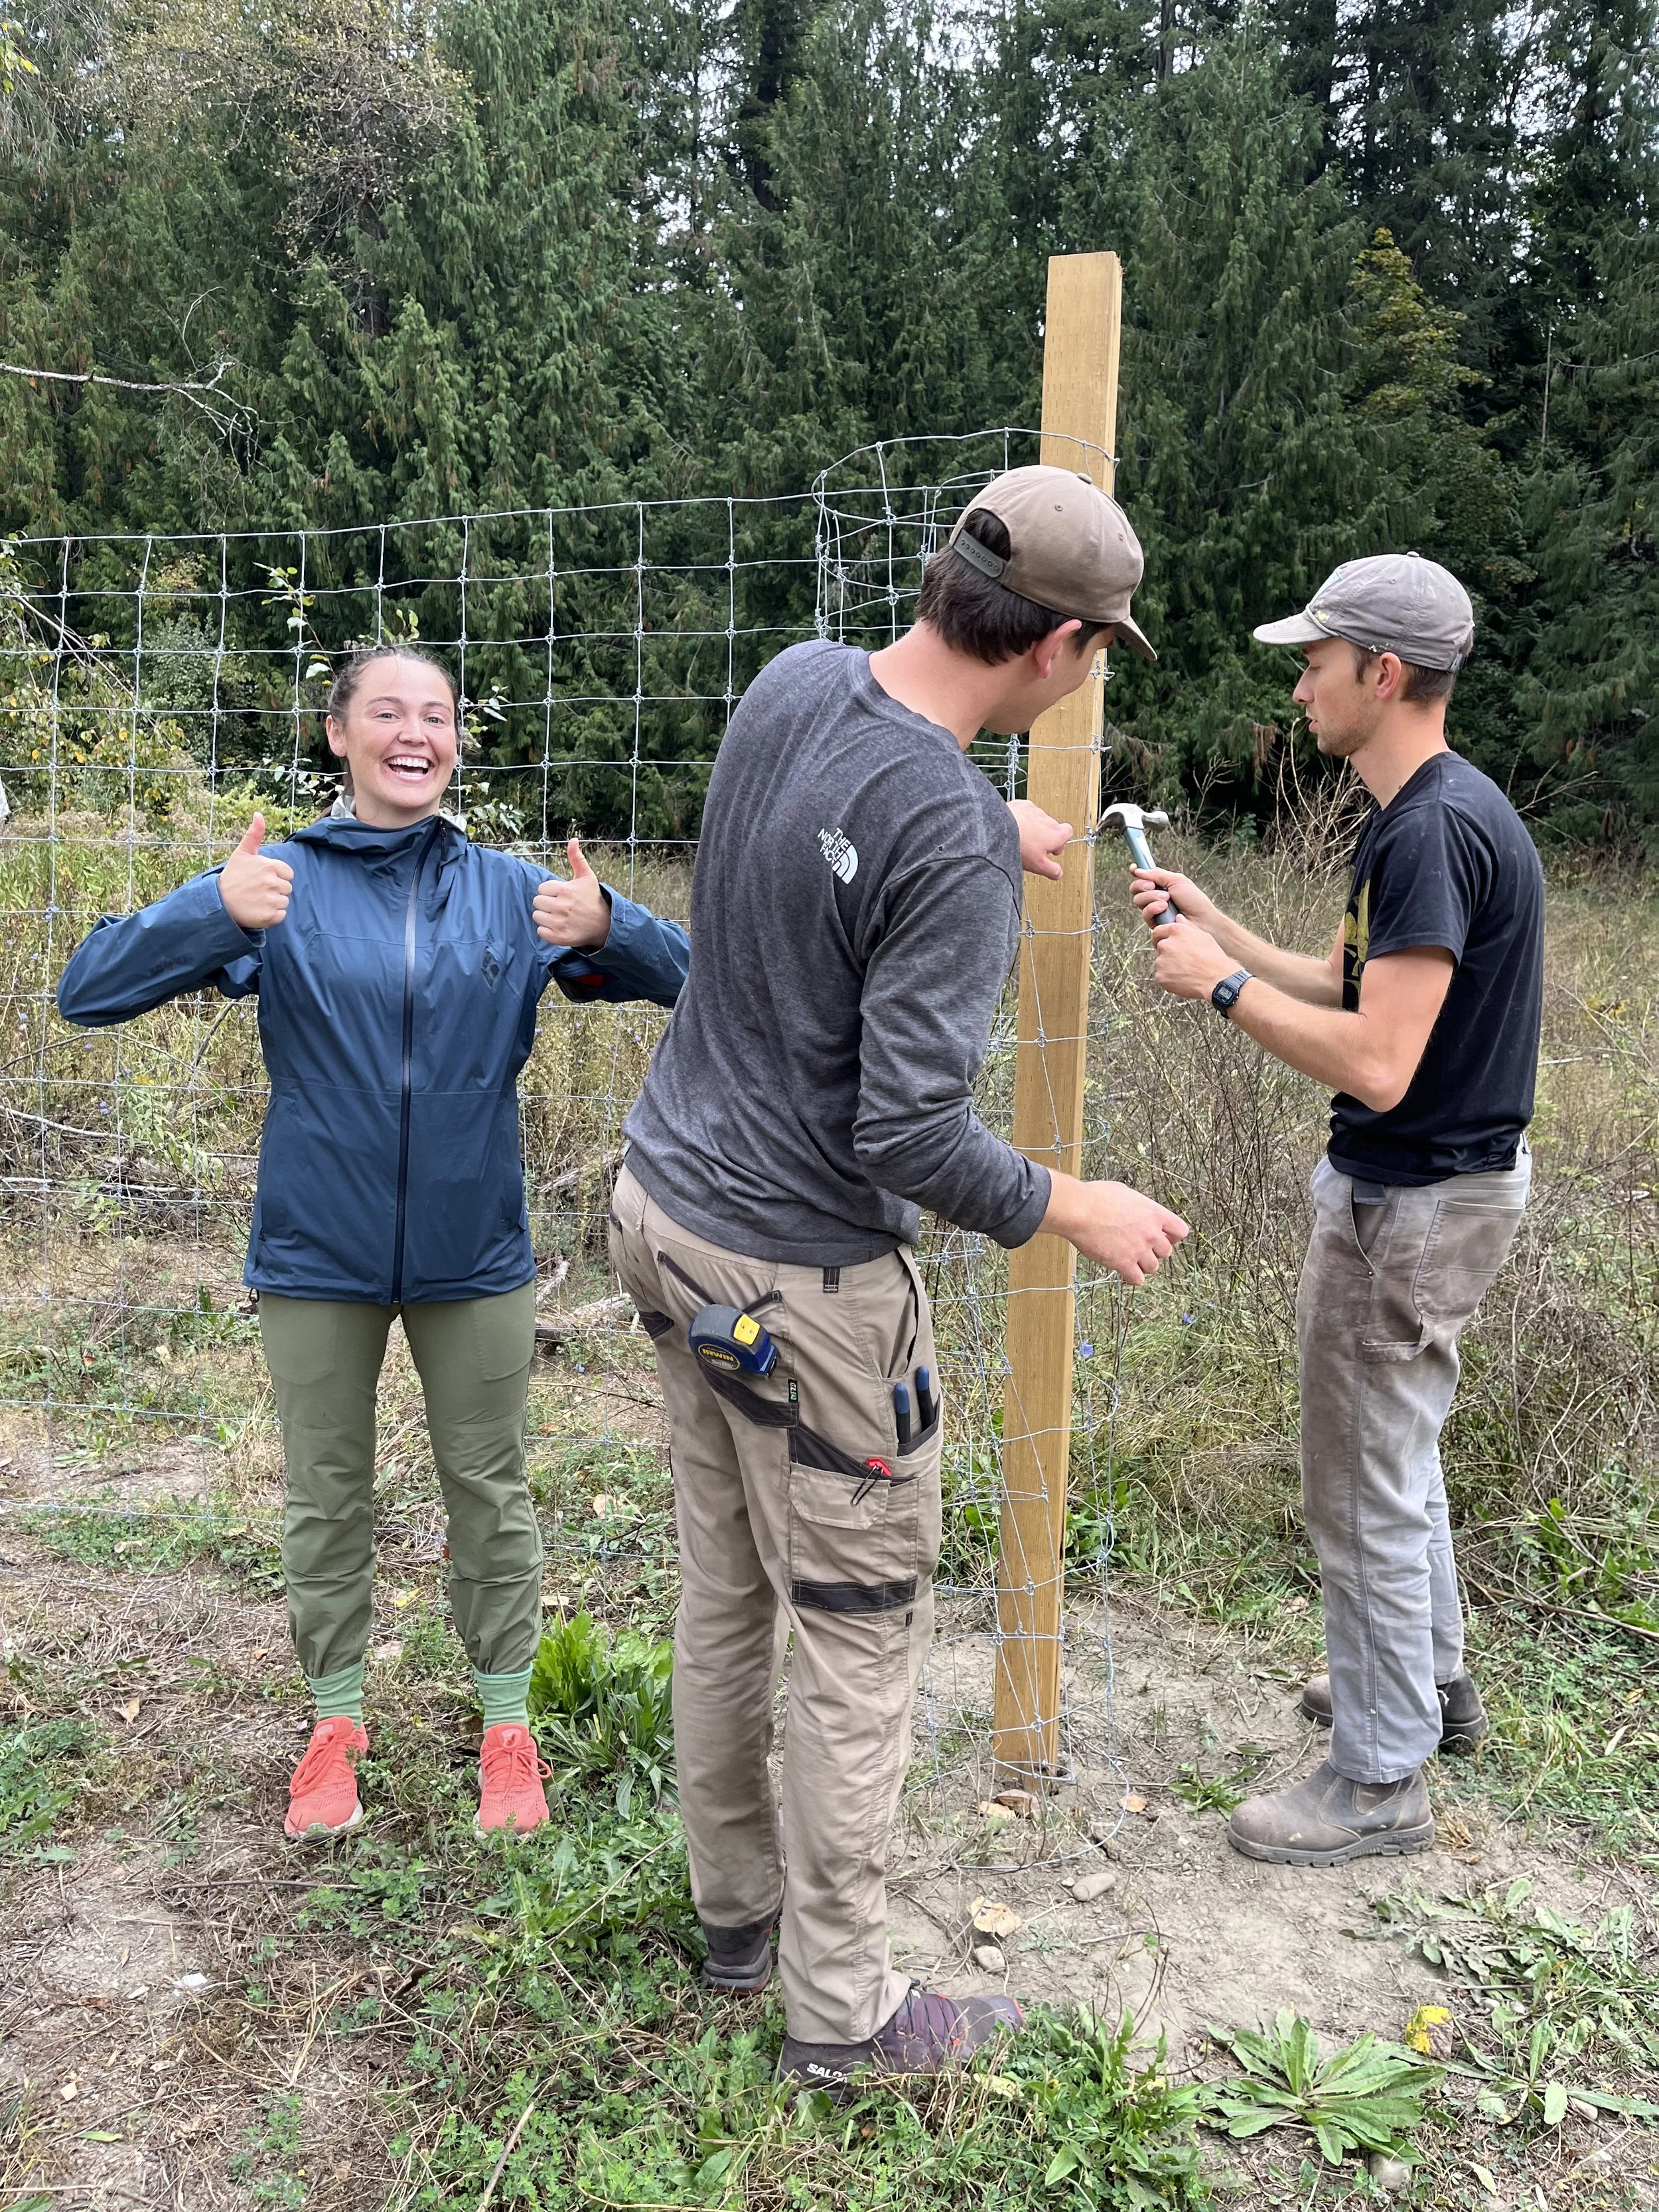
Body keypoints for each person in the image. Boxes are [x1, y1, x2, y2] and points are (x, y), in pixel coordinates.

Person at [596, 466, 1189, 2092]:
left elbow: (816, 826)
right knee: (854, 1629)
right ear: (1057, 645)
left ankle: (737, 1917)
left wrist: (966, 819)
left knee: (724, 1589)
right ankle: (843, 2013)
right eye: (1095, 649)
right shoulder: (942, 832)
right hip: (799, 1277)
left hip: (661, 1209)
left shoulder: (800, 680)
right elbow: (908, 1127)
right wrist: (1067, 1199)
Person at [56, 644, 689, 1842]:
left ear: (458, 742)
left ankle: (509, 1723)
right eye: (387, 712)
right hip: (316, 1252)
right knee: (325, 1496)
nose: (417, 733)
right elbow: (86, 990)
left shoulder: (512, 893)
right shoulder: (278, 883)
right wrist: (207, 909)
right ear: (338, 734)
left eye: (438, 715)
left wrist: (622, 925)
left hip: (476, 1252)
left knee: (490, 1491)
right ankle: (335, 1724)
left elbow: (706, 986)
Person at [1129, 553, 1544, 1868]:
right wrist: (1223, 930)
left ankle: (1377, 1779)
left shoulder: (1427, 827)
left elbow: (1377, 1060)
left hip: (1406, 1204)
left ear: (1382, 673)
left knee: (1358, 1482)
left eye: (1313, 661)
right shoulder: (1426, 814)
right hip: (1441, 1192)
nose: (1296, 685)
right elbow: (1351, 980)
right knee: (1397, 1449)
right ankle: (1430, 1692)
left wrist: (1211, 990)